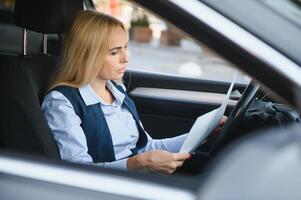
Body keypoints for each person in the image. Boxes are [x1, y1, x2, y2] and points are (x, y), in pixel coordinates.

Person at [42, 10, 190, 174]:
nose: (125, 58)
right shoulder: (62, 102)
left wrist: (202, 134)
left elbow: (146, 147)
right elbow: (78, 172)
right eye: (114, 52)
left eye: (125, 47)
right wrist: (137, 164)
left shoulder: (118, 91)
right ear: (87, 55)